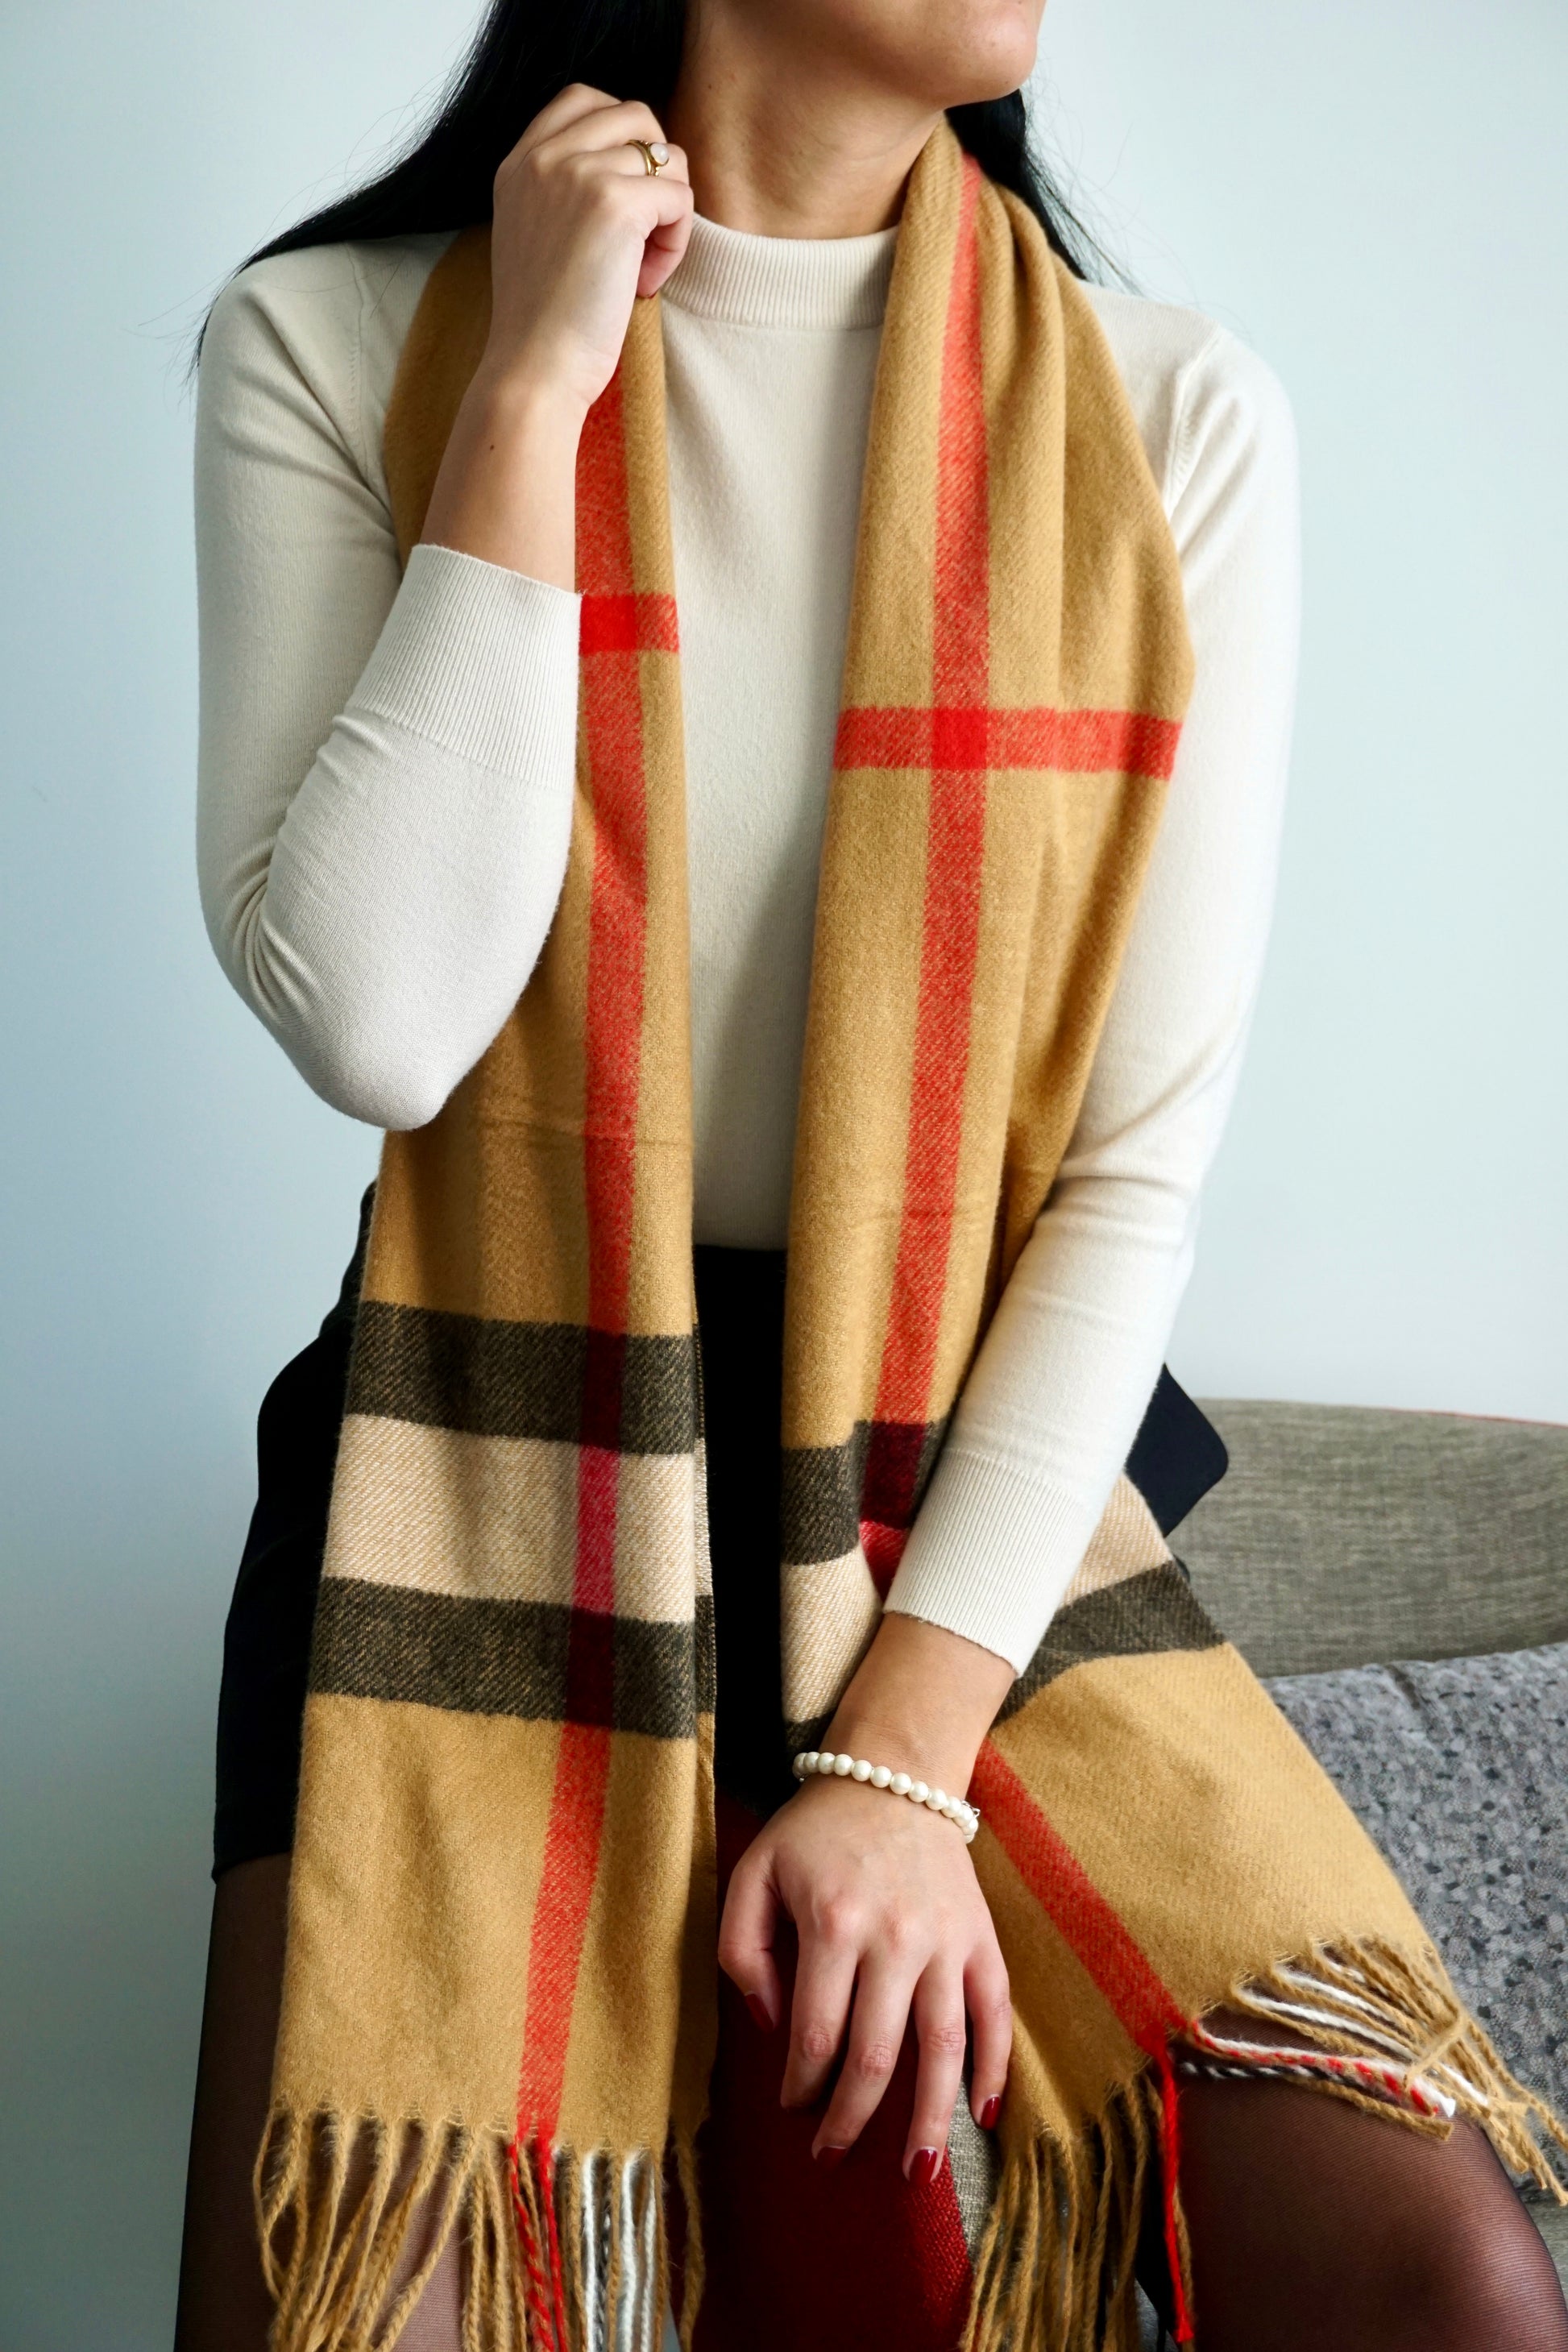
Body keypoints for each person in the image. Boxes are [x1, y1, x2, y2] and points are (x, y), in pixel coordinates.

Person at [176, 2, 1568, 2346]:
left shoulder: (1163, 412)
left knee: (1444, 2279)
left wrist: (904, 1770)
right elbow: (378, 1022)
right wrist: (529, 387)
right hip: (482, 1465)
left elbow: (1127, 1177)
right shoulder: (333, 342)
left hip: (964, 1501)